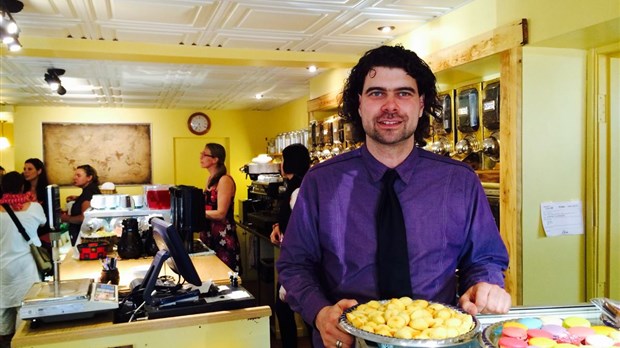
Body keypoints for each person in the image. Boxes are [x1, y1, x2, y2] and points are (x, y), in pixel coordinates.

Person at [276, 45, 511, 348]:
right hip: (346, 341)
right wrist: (319, 313)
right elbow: (295, 264)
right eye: (376, 93)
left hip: (436, 340)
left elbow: (484, 258)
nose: (390, 105)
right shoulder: (321, 182)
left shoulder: (459, 181)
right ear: (358, 104)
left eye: (403, 93)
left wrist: (484, 285)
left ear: (421, 103)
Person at [269, 143, 312, 348]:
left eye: (282, 160)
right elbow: (289, 216)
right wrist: (278, 226)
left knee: (290, 308)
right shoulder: (298, 183)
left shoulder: (299, 187)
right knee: (298, 309)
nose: (280, 165)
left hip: (298, 261)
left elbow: (302, 227)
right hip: (296, 259)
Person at [0, 172, 46, 348]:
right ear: (22, 187)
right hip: (26, 265)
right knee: (25, 305)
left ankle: (5, 340)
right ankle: (21, 343)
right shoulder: (34, 208)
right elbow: (43, 222)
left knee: (3, 305)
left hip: (2, 266)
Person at [198, 143, 241, 273]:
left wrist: (196, 213)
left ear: (215, 159)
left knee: (225, 277)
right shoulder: (210, 179)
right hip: (210, 235)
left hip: (223, 238)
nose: (201, 157)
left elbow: (221, 213)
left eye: (204, 154)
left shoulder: (225, 180)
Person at [60, 164, 101, 246]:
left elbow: (84, 218)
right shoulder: (91, 190)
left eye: (78, 175)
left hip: (82, 240)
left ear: (89, 178)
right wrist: (78, 198)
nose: (74, 178)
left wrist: (66, 218)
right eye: (75, 175)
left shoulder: (88, 194)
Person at [22, 158, 52, 251]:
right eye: (24, 169)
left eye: (30, 169)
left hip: (43, 232)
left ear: (39, 171)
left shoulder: (47, 190)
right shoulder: (22, 190)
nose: (26, 172)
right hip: (26, 231)